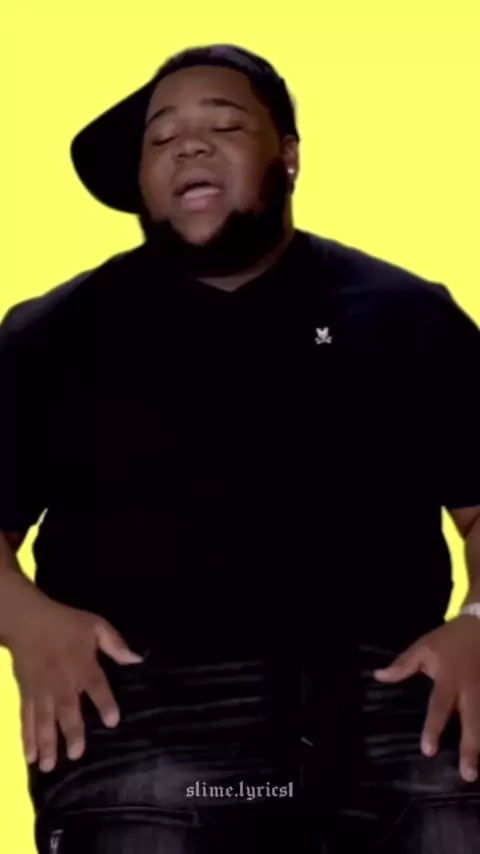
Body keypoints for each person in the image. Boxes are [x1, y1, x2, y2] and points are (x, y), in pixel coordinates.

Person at [1, 43, 480, 854]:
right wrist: (24, 618)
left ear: (287, 155)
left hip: (392, 689)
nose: (188, 145)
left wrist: (479, 619)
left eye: (223, 125)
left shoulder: (407, 315)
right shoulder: (48, 334)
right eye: (161, 138)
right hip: (143, 702)